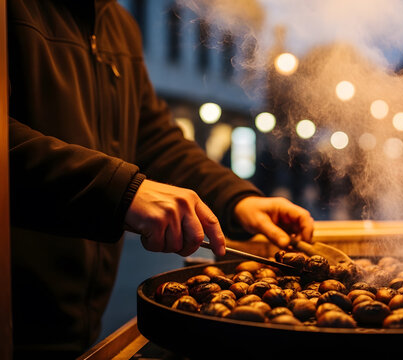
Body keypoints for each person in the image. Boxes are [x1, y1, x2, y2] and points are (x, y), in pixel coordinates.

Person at [7, 0, 313, 357]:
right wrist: (122, 190)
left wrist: (236, 198)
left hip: (77, 324)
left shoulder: (118, 24)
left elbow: (153, 138)